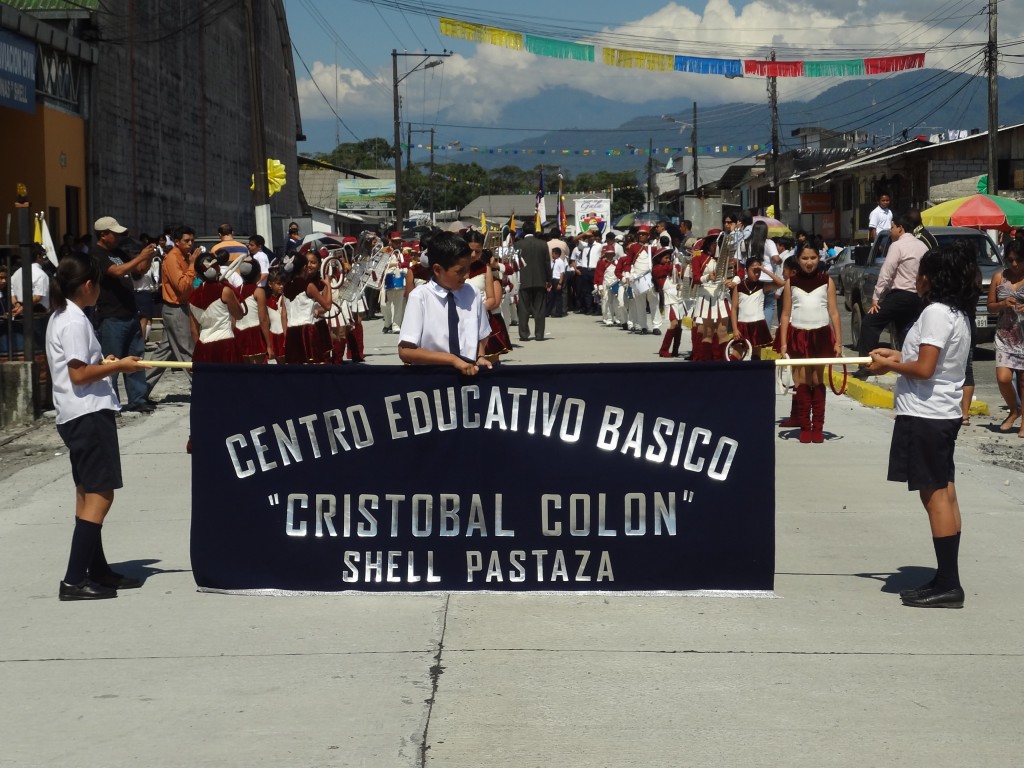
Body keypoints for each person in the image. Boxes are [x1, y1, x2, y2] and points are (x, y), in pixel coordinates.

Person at [867, 244, 979, 608]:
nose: (916, 279)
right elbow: (930, 361)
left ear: (930, 278)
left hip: (926, 414)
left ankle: (948, 583)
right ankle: (947, 577)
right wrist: (896, 356)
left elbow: (925, 369)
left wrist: (890, 367)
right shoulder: (956, 313)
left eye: (919, 273)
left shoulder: (934, 312)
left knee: (934, 496)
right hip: (940, 413)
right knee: (945, 491)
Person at [46, 253, 147, 600]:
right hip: (86, 413)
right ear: (88, 286)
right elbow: (78, 374)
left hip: (79, 412)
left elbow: (81, 365)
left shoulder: (65, 316)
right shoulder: (73, 321)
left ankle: (98, 571)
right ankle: (74, 580)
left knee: (88, 492)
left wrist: (105, 363)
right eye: (99, 284)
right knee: (101, 495)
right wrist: (119, 368)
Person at [399, 231, 493, 375]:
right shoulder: (420, 297)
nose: (467, 276)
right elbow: (405, 351)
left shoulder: (472, 293)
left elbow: (482, 334)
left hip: (469, 377)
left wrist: (479, 356)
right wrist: (451, 360)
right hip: (433, 380)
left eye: (468, 269)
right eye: (460, 271)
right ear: (437, 269)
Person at [92, 216, 158, 413]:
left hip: (129, 313)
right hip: (111, 315)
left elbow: (138, 270)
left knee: (136, 357)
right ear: (103, 235)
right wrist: (140, 256)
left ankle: (138, 399)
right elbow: (118, 271)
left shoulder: (117, 252)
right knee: (112, 362)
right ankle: (109, 403)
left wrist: (146, 256)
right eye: (115, 234)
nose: (119, 238)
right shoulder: (97, 254)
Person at [779, 242, 843, 443]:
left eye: (813, 258)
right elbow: (785, 314)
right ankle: (805, 426)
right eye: (805, 258)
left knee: (817, 380)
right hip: (798, 335)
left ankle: (818, 427)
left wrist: (838, 342)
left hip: (821, 334)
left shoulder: (827, 281)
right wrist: (783, 344)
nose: (809, 262)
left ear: (819, 258)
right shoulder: (791, 282)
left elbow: (833, 312)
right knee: (802, 381)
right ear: (798, 260)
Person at [855, 214, 929, 378]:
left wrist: (876, 297)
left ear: (900, 228)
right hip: (918, 297)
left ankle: (867, 365)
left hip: (900, 295)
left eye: (892, 226)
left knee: (870, 322)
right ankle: (908, 365)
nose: (890, 230)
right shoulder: (922, 246)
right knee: (905, 330)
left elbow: (886, 273)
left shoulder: (897, 245)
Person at [144, 226, 196, 398]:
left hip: (179, 308)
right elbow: (181, 287)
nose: (190, 244)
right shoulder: (173, 258)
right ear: (177, 241)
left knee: (163, 353)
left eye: (191, 240)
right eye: (186, 241)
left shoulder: (183, 256)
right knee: (186, 351)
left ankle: (141, 390)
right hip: (175, 309)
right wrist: (193, 265)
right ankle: (202, 387)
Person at [987, 238, 1024, 434]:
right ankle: (1014, 409)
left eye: (1019, 260)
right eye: (1010, 260)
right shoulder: (999, 277)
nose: (1015, 264)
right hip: (1005, 336)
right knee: (1003, 378)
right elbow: (990, 306)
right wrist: (1002, 304)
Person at [189, 253, 243, 363]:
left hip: (202, 345)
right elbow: (239, 314)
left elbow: (194, 330)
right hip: (225, 343)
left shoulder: (191, 297)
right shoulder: (225, 291)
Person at [514, 220, 552, 342]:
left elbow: (514, 264)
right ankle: (539, 334)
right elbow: (547, 263)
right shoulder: (543, 244)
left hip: (523, 280)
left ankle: (524, 334)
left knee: (523, 308)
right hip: (540, 279)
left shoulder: (518, 245)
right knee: (539, 308)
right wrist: (548, 279)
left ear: (523, 231)